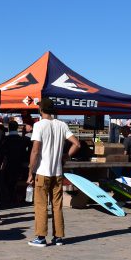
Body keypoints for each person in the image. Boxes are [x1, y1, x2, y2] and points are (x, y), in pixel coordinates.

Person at [27, 97, 80, 247]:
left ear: (41, 109)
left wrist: (31, 172)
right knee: (57, 205)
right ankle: (58, 236)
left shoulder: (39, 126)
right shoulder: (62, 125)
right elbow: (76, 143)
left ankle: (41, 237)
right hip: (57, 172)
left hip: (43, 172)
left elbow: (35, 151)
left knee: (41, 205)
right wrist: (65, 156)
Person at [0, 121, 32, 206]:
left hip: (8, 164)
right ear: (17, 128)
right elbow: (30, 151)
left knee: (8, 183)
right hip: (21, 165)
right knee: (18, 182)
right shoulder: (24, 139)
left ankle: (10, 198)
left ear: (9, 128)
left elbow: (2, 154)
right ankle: (18, 198)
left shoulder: (5, 140)